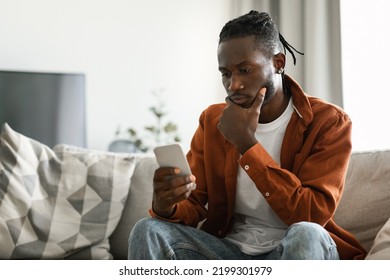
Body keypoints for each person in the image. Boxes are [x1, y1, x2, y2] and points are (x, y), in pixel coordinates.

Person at [128, 10, 367, 260]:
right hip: (230, 253)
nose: (234, 85)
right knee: (147, 229)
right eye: (226, 73)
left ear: (278, 63)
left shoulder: (329, 122)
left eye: (244, 70)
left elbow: (312, 214)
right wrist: (165, 206)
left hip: (294, 249)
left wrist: (247, 144)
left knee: (307, 234)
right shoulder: (213, 121)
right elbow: (194, 204)